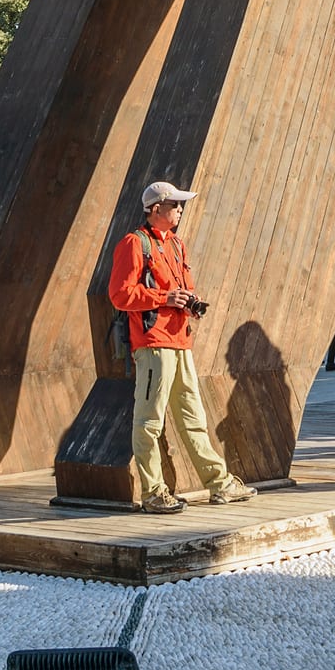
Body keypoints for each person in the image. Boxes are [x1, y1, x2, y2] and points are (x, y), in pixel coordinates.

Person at [107, 180, 256, 516]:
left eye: (180, 204)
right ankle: (154, 493)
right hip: (153, 344)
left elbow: (181, 288)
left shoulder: (176, 244)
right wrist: (165, 298)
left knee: (193, 419)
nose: (180, 209)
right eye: (174, 204)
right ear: (155, 208)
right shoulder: (134, 243)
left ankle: (219, 484)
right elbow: (119, 295)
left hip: (179, 341)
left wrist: (190, 303)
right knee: (149, 422)